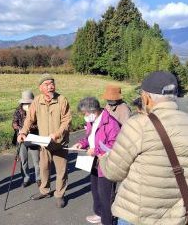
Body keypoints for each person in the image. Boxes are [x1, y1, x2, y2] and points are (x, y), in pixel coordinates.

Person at [99, 71, 188, 225]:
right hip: (176, 216)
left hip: (137, 215)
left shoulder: (139, 125)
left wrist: (104, 158)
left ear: (146, 98)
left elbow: (113, 172)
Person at [17, 74, 72, 208]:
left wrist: (57, 134)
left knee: (61, 171)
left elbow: (67, 120)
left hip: (60, 143)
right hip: (44, 143)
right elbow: (29, 119)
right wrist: (23, 132)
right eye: (47, 84)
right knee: (44, 168)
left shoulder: (62, 100)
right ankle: (44, 191)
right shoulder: (37, 100)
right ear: (41, 87)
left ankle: (59, 195)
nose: (50, 86)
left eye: (52, 83)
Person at [72, 97, 120, 225]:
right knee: (95, 190)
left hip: (107, 163)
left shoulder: (111, 123)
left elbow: (114, 145)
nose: (85, 116)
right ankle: (99, 214)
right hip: (94, 162)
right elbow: (89, 137)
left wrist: (96, 150)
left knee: (106, 195)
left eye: (86, 113)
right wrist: (81, 144)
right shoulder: (91, 121)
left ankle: (107, 221)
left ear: (94, 110)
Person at [12, 90, 41, 188]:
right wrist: (19, 129)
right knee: (23, 160)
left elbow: (40, 125)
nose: (27, 104)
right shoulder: (17, 110)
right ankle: (26, 178)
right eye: (25, 103)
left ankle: (39, 178)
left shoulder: (37, 111)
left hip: (34, 138)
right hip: (21, 139)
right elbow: (14, 123)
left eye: (29, 102)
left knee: (37, 160)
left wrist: (28, 128)